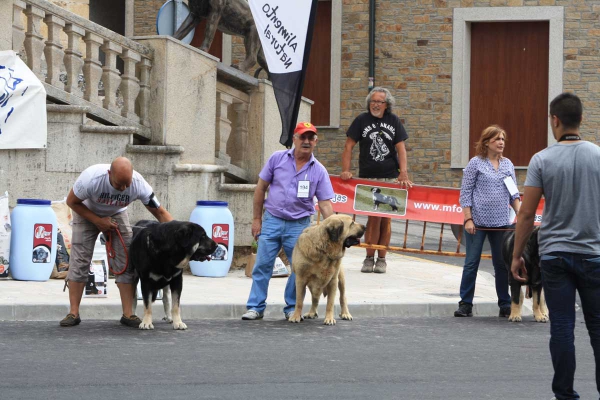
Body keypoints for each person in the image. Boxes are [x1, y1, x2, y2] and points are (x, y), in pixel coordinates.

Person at [511, 93, 600, 400]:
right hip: (593, 254)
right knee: (598, 330)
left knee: (562, 327)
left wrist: (517, 255)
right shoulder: (598, 156)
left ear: (555, 120)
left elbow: (525, 213)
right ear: (581, 119)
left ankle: (565, 394)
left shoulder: (542, 159)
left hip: (555, 255)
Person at [60, 157, 173, 327]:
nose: (123, 189)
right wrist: (98, 221)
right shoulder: (91, 178)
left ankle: (128, 314)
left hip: (117, 213)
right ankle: (73, 313)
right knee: (80, 260)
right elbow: (71, 202)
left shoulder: (139, 184)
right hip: (87, 212)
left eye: (126, 185)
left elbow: (160, 212)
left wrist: (177, 235)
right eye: (119, 184)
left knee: (126, 260)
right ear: (109, 174)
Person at [242, 122, 335, 321]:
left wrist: (336, 230)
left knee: (299, 270)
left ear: (316, 142)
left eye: (311, 138)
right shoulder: (277, 159)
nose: (307, 141)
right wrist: (257, 219)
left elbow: (325, 204)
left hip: (299, 226)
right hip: (272, 220)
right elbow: (260, 188)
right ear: (294, 139)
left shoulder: (319, 170)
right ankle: (255, 307)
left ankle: (292, 308)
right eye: (303, 137)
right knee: (262, 265)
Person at [341, 87, 412, 274]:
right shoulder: (361, 120)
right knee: (373, 218)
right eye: (373, 101)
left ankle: (382, 259)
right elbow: (349, 146)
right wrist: (346, 171)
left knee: (385, 219)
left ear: (386, 104)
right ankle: (368, 258)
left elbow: (401, 149)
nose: (375, 104)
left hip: (389, 177)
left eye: (379, 101)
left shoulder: (393, 121)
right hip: (367, 177)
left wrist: (403, 173)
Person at [454, 125, 521, 318]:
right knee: (471, 263)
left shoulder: (508, 164)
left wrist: (521, 216)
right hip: (477, 223)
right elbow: (465, 193)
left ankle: (505, 303)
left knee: (501, 265)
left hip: (501, 224)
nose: (501, 143)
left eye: (503, 139)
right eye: (497, 139)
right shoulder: (476, 163)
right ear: (486, 143)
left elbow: (513, 193)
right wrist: (468, 218)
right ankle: (465, 303)